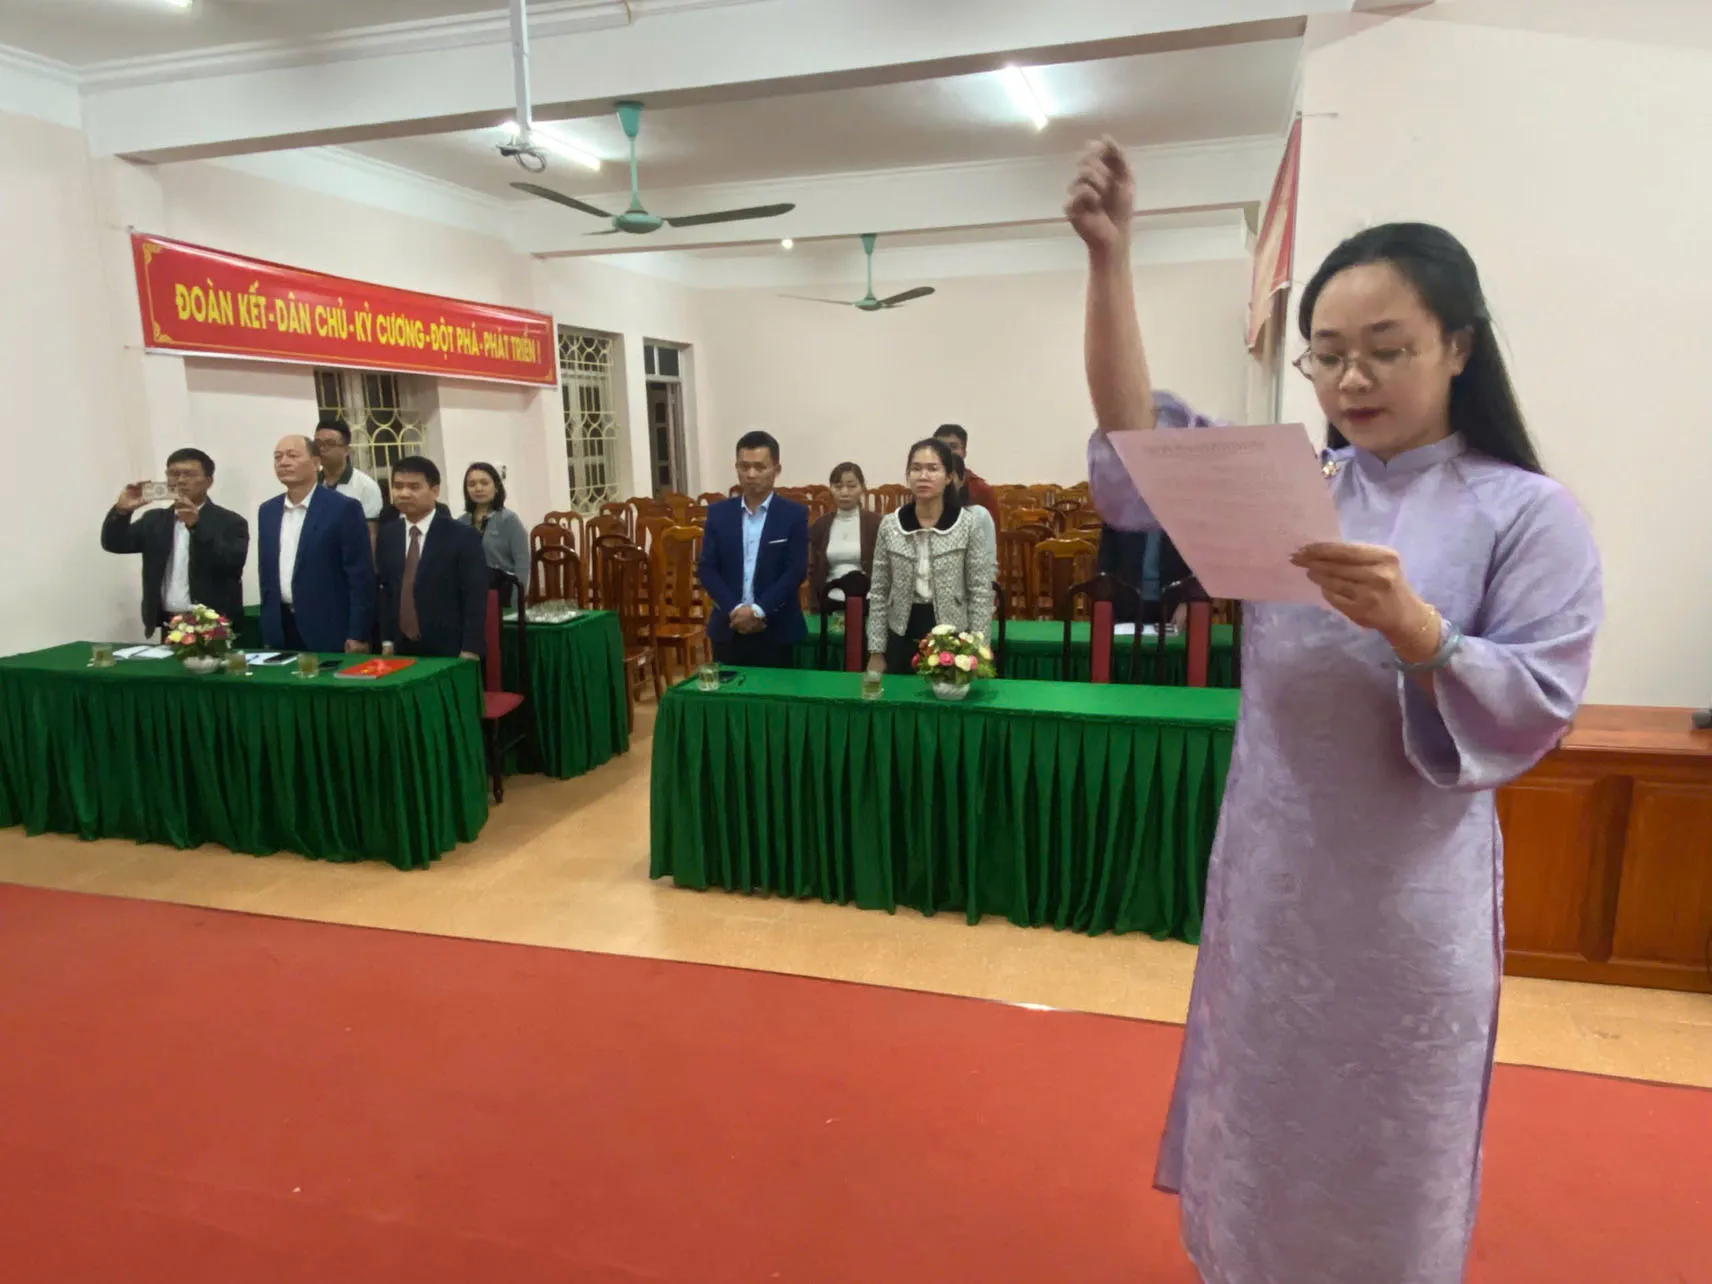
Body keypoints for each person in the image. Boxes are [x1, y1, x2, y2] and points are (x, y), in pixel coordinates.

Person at [1068, 139, 1602, 1284]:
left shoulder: (1524, 513)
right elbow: (1136, 454)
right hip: (1269, 891)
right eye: (1326, 354)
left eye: (1386, 349)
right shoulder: (1290, 490)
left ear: (1457, 347)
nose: (1352, 379)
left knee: (1381, 1162)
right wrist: (1109, 259)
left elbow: (1540, 701)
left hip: (1403, 911)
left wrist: (1419, 633)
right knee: (1257, 1144)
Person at [866, 438, 998, 675]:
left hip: (953, 635)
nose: (923, 476)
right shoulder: (890, 525)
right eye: (916, 469)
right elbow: (878, 591)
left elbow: (980, 592)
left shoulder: (967, 525)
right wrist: (876, 650)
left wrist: (979, 648)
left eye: (933, 469)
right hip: (902, 630)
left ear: (948, 477)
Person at [100, 448, 249, 636]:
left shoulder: (230, 522)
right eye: (173, 474)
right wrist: (122, 511)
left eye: (189, 474)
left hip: (214, 625)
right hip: (170, 624)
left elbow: (232, 563)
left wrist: (196, 527)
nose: (180, 480)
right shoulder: (155, 520)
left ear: (208, 482)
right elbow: (115, 543)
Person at [697, 430, 808, 668]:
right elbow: (707, 568)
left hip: (776, 628)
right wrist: (735, 609)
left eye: (759, 467)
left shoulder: (794, 515)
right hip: (728, 627)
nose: (751, 474)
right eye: (744, 466)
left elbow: (796, 570)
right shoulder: (718, 514)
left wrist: (758, 610)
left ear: (776, 469)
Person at [257, 435, 376, 653]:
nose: (283, 462)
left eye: (293, 455)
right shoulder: (268, 511)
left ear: (315, 462)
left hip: (330, 628)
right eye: (278, 457)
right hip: (281, 628)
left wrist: (358, 633)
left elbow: (360, 577)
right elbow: (266, 574)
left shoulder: (342, 508)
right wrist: (268, 629)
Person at [377, 456, 487, 660]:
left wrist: (470, 648)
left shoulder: (462, 536)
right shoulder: (389, 534)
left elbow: (475, 597)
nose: (404, 493)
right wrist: (387, 640)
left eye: (414, 487)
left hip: (449, 648)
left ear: (435, 491)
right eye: (398, 486)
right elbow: (387, 591)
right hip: (401, 648)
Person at [807, 462, 880, 605]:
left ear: (862, 488)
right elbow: (813, 570)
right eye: (838, 487)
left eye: (851, 486)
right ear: (831, 489)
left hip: (869, 601)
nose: (844, 492)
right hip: (830, 600)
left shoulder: (876, 524)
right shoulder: (820, 525)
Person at [458, 462, 530, 602]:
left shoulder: (509, 520)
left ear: (496, 487)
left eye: (484, 483)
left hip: (503, 596)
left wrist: (517, 601)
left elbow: (522, 564)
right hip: (470, 597)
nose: (478, 488)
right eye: (472, 484)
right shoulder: (461, 523)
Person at [1095, 526, 1188, 625]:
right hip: (1125, 604)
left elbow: (1195, 569)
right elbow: (1104, 566)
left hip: (1173, 606)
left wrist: (1186, 603)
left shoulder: (1184, 520)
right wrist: (1106, 606)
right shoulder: (1118, 518)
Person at [314, 420, 384, 551]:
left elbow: (371, 535)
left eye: (330, 443)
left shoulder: (366, 486)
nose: (321, 449)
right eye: (317, 444)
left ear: (346, 450)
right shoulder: (311, 484)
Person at [932, 423, 999, 525]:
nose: (947, 452)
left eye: (953, 446)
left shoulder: (981, 490)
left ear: (964, 452)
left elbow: (991, 531)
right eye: (941, 447)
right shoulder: (924, 483)